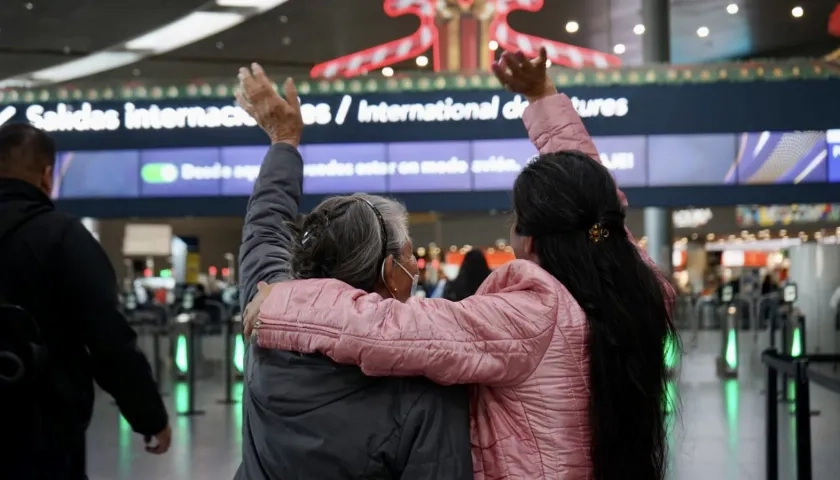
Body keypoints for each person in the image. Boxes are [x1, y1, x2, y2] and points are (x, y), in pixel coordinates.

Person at [244, 48, 677, 480]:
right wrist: (543, 98)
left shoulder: (533, 316)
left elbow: (390, 330)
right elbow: (597, 202)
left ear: (529, 239)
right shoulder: (640, 286)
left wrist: (284, 302)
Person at [233, 64, 472, 479]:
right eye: (409, 256)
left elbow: (265, 224)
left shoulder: (266, 314)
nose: (416, 267)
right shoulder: (421, 387)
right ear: (389, 272)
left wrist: (283, 142)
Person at [0, 123, 170, 479]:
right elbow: (108, 340)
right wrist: (148, 416)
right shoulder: (62, 237)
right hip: (43, 431)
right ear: (47, 176)